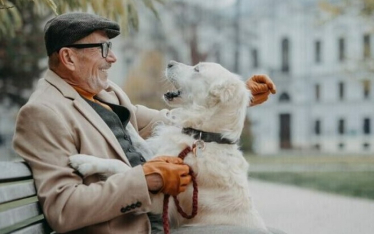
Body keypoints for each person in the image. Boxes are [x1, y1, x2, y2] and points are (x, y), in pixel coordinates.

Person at [12, 12, 276, 234]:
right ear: (69, 58)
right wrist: (145, 180)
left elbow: (172, 121)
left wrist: (233, 96)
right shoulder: (43, 112)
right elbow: (64, 209)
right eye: (103, 49)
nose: (112, 58)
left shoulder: (106, 93)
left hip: (164, 220)